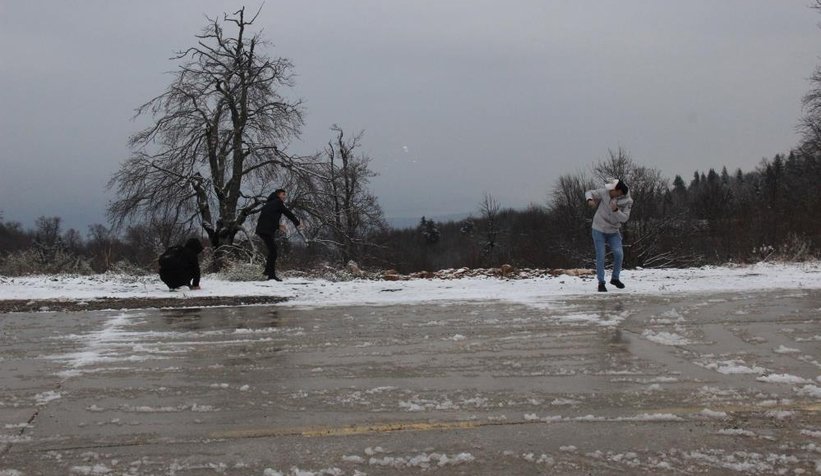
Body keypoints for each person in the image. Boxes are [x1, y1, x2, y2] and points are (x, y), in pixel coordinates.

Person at [585, 179, 633, 292]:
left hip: (613, 231)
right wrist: (590, 200)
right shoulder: (604, 192)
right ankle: (601, 283)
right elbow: (589, 192)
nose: (609, 191)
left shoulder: (628, 201)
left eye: (611, 189)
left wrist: (616, 210)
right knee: (601, 255)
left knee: (619, 254)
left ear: (619, 191)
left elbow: (625, 219)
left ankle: (615, 278)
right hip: (598, 228)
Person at [255, 188, 301, 281]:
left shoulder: (270, 203)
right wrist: (297, 223)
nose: (285, 197)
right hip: (266, 230)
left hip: (263, 229)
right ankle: (270, 275)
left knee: (273, 250)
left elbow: (268, 217)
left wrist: (278, 225)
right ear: (279, 195)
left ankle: (267, 271)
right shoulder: (277, 203)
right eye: (283, 194)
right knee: (273, 251)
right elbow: (288, 213)